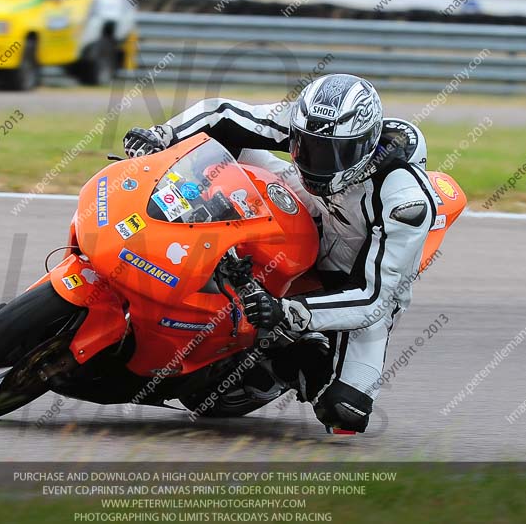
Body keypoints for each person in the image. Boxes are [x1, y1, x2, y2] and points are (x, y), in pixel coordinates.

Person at [122, 74, 437, 433]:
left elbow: (374, 297)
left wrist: (290, 311)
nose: (316, 161)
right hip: (307, 207)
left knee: (344, 409)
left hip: (349, 280)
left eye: (332, 153)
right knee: (218, 147)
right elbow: (224, 114)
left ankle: (276, 367)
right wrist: (161, 136)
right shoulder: (308, 123)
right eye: (307, 146)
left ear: (365, 146)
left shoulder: (404, 202)